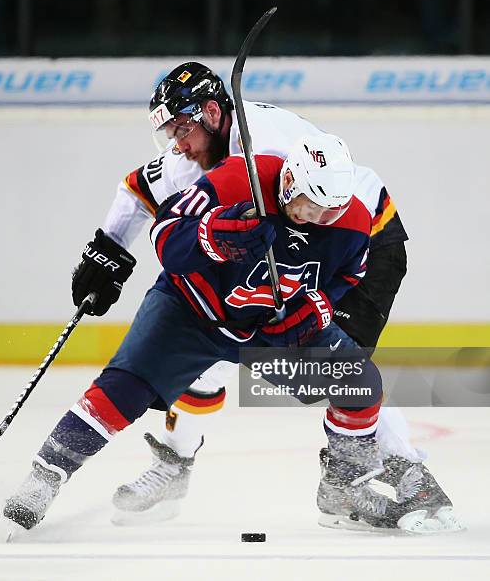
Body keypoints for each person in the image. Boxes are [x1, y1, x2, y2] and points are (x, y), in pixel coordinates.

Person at [71, 62, 457, 530]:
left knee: (336, 361)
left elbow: (319, 220)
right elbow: (138, 190)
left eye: (182, 128)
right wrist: (107, 252)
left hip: (359, 242)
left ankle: (403, 472)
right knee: (214, 324)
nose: (177, 142)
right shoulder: (203, 144)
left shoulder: (268, 149)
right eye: (171, 131)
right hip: (296, 235)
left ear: (212, 112)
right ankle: (176, 463)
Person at [4, 133, 429, 532]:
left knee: (358, 382)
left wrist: (315, 307)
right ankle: (46, 474)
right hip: (192, 308)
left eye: (328, 211)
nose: (316, 218)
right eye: (308, 205)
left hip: (268, 326)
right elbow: (166, 234)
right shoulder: (237, 179)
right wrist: (215, 235)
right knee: (125, 388)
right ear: (287, 181)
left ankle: (344, 487)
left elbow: (347, 276)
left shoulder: (351, 221)